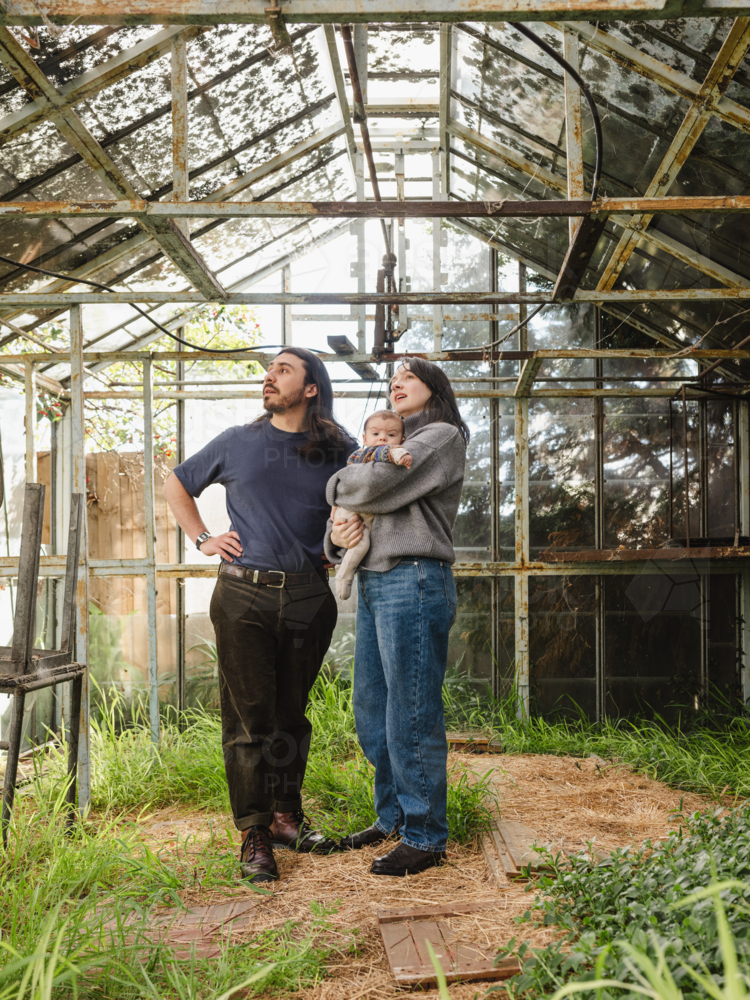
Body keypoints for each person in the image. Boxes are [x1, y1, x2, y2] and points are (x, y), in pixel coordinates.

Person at [163, 347, 356, 883]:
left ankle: (287, 818)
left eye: (283, 370)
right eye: (269, 369)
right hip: (243, 594)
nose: (268, 377)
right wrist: (203, 537)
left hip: (306, 596)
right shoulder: (238, 441)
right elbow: (176, 483)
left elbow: (360, 507)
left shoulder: (340, 448)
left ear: (311, 387)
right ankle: (254, 833)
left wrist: (338, 546)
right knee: (249, 720)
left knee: (291, 715)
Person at [325, 359, 468, 876]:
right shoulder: (396, 441)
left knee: (410, 710)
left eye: (407, 377)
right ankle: (393, 817)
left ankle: (426, 835)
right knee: (373, 707)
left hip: (415, 578)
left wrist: (339, 481)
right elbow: (354, 512)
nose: (396, 385)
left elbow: (369, 488)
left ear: (433, 386)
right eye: (392, 382)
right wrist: (335, 534)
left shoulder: (439, 436)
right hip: (377, 580)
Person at [332, 409, 412, 600]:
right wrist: (401, 454)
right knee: (360, 542)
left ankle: (343, 567)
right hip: (352, 509)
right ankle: (343, 577)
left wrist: (401, 454)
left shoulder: (378, 453)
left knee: (356, 541)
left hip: (361, 510)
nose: (383, 439)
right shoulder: (366, 453)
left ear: (402, 438)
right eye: (376, 434)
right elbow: (390, 453)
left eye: (391, 434)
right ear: (365, 438)